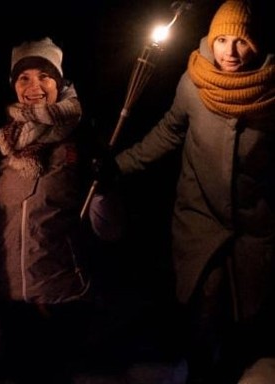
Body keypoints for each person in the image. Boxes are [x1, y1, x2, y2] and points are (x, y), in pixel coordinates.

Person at [104, 1, 275, 382]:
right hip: (200, 219)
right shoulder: (194, 82)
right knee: (203, 312)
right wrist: (118, 165)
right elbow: (170, 131)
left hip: (252, 225)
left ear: (257, 45)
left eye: (241, 42)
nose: (229, 52)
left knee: (243, 318)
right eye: (222, 40)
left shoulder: (270, 93)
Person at [0, 37, 124, 384]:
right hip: (10, 301)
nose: (34, 86)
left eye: (44, 77)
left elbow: (108, 229)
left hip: (61, 300)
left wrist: (105, 187)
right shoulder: (3, 144)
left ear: (59, 83)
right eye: (24, 78)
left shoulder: (81, 138)